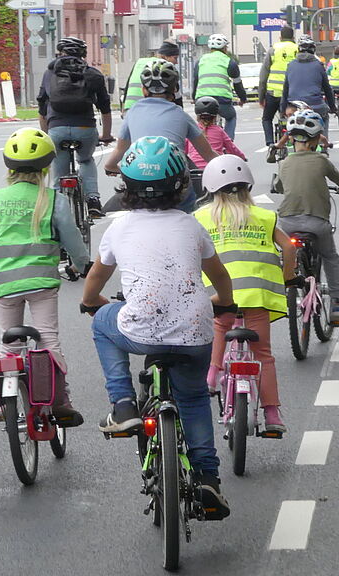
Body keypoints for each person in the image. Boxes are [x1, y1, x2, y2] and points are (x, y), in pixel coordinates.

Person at [82, 136, 234, 520]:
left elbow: (95, 280)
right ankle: (207, 479)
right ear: (182, 184)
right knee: (195, 399)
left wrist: (92, 304)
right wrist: (225, 304)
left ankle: (122, 404)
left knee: (102, 324)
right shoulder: (191, 226)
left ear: (126, 186)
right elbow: (220, 277)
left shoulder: (119, 228)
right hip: (195, 330)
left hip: (139, 327)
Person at [0, 128, 89, 426]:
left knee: (8, 344)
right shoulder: (52, 198)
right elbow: (73, 239)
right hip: (42, 283)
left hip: (5, 284)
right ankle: (60, 401)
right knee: (48, 339)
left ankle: (3, 403)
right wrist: (81, 264)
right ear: (47, 166)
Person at [194, 155, 295, 432]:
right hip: (258, 296)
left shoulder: (201, 217)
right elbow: (289, 248)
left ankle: (212, 376)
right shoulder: (265, 216)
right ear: (248, 188)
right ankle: (273, 415)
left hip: (219, 296)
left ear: (210, 189)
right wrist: (287, 278)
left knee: (219, 326)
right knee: (263, 354)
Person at [274, 109, 339, 325]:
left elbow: (278, 186)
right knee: (330, 257)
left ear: (291, 138)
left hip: (287, 222)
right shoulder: (321, 161)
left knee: (285, 252)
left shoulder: (283, 164)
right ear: (315, 140)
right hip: (317, 222)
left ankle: (282, 287)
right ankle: (338, 305)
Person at [104, 59, 217, 212]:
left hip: (140, 181)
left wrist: (111, 167)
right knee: (189, 207)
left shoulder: (132, 113)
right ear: (175, 89)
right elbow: (208, 154)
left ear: (144, 90)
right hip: (174, 180)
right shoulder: (180, 115)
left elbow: (119, 151)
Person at [37, 36, 114, 218]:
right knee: (86, 160)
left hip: (56, 128)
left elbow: (42, 108)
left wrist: (46, 135)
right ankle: (93, 201)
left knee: (59, 170)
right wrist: (106, 135)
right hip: (85, 129)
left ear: (60, 53)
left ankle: (56, 209)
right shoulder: (92, 74)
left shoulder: (50, 73)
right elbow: (105, 107)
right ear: (84, 54)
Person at [192, 33, 248, 140]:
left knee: (201, 121)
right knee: (231, 117)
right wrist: (243, 98)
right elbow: (237, 84)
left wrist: (195, 98)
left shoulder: (200, 61)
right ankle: (228, 143)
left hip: (202, 100)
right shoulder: (229, 62)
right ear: (224, 48)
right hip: (222, 100)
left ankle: (201, 143)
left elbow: (196, 81)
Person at [281, 36, 336, 139]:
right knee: (324, 117)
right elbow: (327, 88)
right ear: (313, 50)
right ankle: (323, 145)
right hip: (315, 105)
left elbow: (285, 90)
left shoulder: (291, 65)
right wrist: (332, 107)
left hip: (294, 106)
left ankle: (290, 141)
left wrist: (282, 109)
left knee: (290, 123)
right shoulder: (318, 65)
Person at [258, 25, 298, 157]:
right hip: (292, 94)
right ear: (293, 37)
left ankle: (270, 143)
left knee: (267, 118)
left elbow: (264, 75)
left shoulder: (273, 49)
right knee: (297, 118)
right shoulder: (298, 49)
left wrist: (261, 96)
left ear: (280, 37)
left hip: (273, 92)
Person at [121, 40, 182, 114]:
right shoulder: (163, 68)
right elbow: (178, 100)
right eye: (175, 58)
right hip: (148, 111)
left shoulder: (139, 62)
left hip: (129, 110)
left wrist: (123, 109)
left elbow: (127, 88)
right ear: (164, 57)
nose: (176, 62)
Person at [185, 97, 246, 170]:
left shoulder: (192, 129)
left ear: (197, 116)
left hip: (195, 169)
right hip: (215, 168)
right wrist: (242, 157)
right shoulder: (219, 131)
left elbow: (184, 149)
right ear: (215, 116)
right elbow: (231, 148)